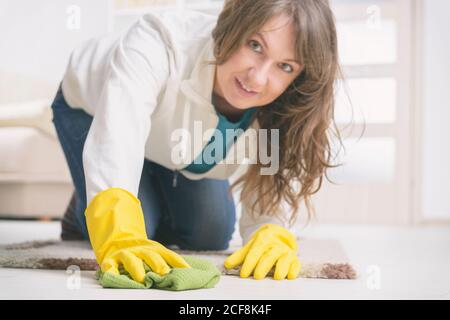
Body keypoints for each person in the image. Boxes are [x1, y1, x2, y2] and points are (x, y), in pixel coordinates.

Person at [51, 0, 341, 282]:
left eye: (286, 66)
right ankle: (85, 202)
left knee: (210, 233)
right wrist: (116, 225)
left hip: (172, 143)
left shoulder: (282, 105)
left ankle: (146, 187)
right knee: (138, 228)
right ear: (233, 25)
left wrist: (271, 230)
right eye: (255, 45)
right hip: (90, 107)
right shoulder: (159, 40)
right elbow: (118, 135)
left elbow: (269, 180)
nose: (258, 78)